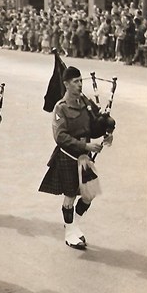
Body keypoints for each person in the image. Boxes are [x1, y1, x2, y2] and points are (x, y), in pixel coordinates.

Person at [39, 66, 112, 249]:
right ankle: (70, 233)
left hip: (85, 156)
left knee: (89, 194)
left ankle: (73, 224)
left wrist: (107, 129)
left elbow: (95, 125)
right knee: (70, 195)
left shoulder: (85, 102)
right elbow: (60, 136)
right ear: (66, 84)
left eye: (81, 80)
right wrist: (85, 146)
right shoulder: (60, 107)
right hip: (68, 155)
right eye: (75, 81)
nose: (80, 84)